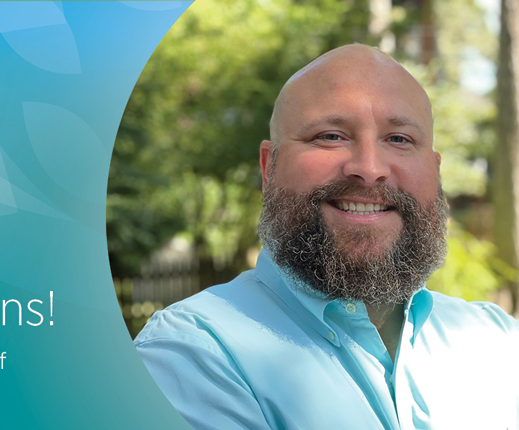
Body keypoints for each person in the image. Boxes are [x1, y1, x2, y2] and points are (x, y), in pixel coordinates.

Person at [134, 44, 519, 430]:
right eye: (331, 136)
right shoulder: (190, 355)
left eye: (399, 139)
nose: (369, 169)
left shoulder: (496, 343)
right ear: (270, 168)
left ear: (435, 172)